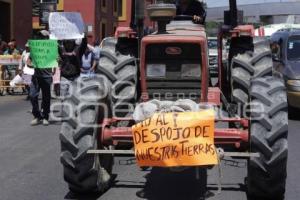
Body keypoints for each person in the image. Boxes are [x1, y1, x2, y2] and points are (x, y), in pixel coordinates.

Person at [28, 30, 53, 126]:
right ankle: (37, 116)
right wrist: (30, 64)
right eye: (40, 37)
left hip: (47, 76)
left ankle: (45, 116)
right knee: (32, 95)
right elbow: (29, 60)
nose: (41, 38)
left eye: (43, 37)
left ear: (47, 38)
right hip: (36, 76)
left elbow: (57, 60)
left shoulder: (51, 48)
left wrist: (58, 60)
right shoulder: (35, 48)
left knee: (46, 97)